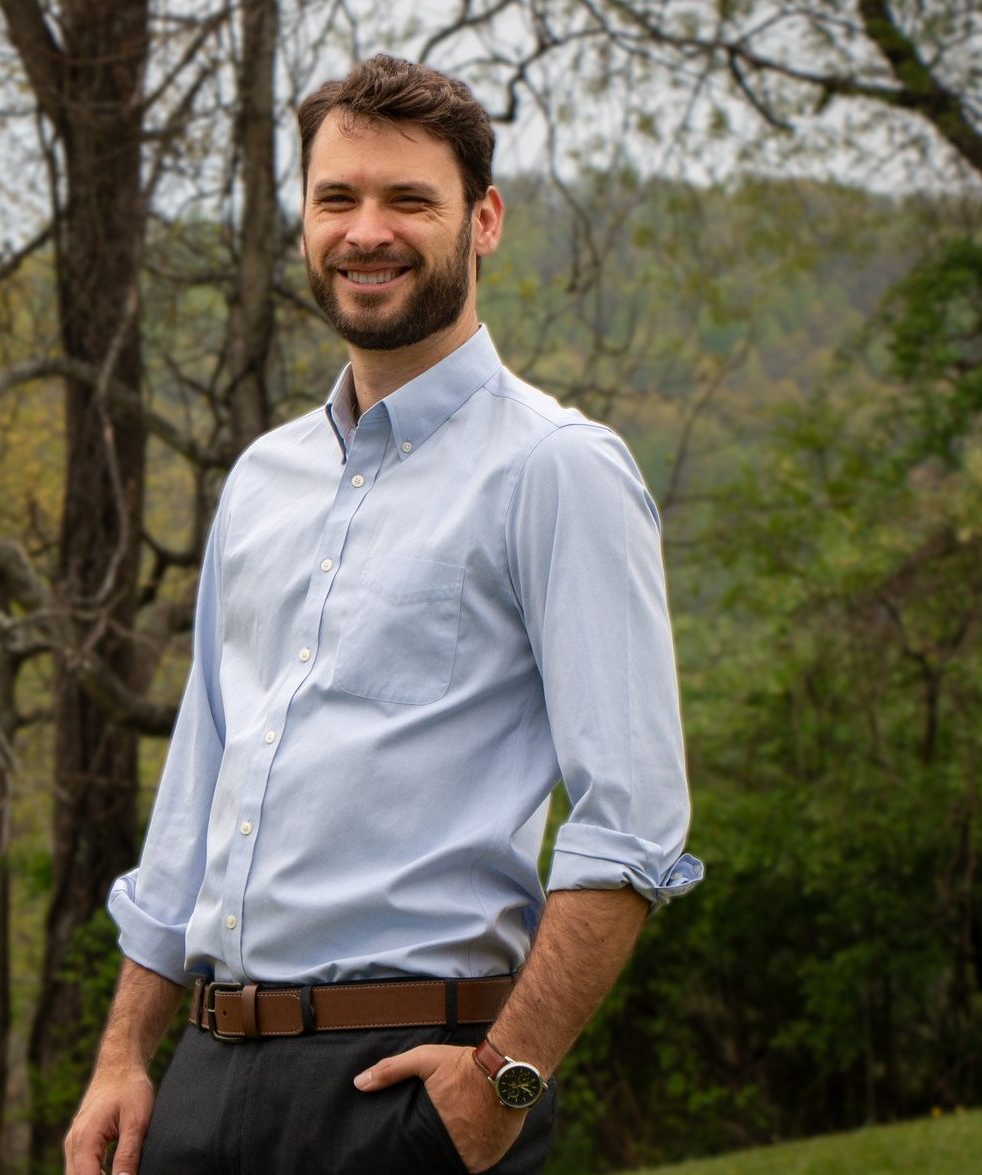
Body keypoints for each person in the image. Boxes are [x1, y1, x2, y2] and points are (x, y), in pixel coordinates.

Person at [65, 53, 702, 1175]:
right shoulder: (262, 479)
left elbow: (633, 823)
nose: (368, 231)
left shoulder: (558, 469)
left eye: (409, 199)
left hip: (407, 1089)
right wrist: (124, 1054)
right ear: (305, 221)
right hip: (202, 1084)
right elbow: (197, 794)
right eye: (337, 199)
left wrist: (503, 1082)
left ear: (483, 220)